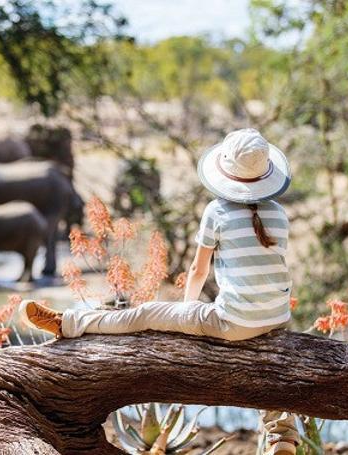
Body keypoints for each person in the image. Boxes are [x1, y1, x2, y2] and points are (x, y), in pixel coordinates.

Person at [18, 128, 300, 455]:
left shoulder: (217, 212)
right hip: (278, 317)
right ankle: (282, 437)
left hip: (234, 321)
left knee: (145, 314)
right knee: (273, 368)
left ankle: (67, 322)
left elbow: (197, 270)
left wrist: (187, 309)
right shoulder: (279, 214)